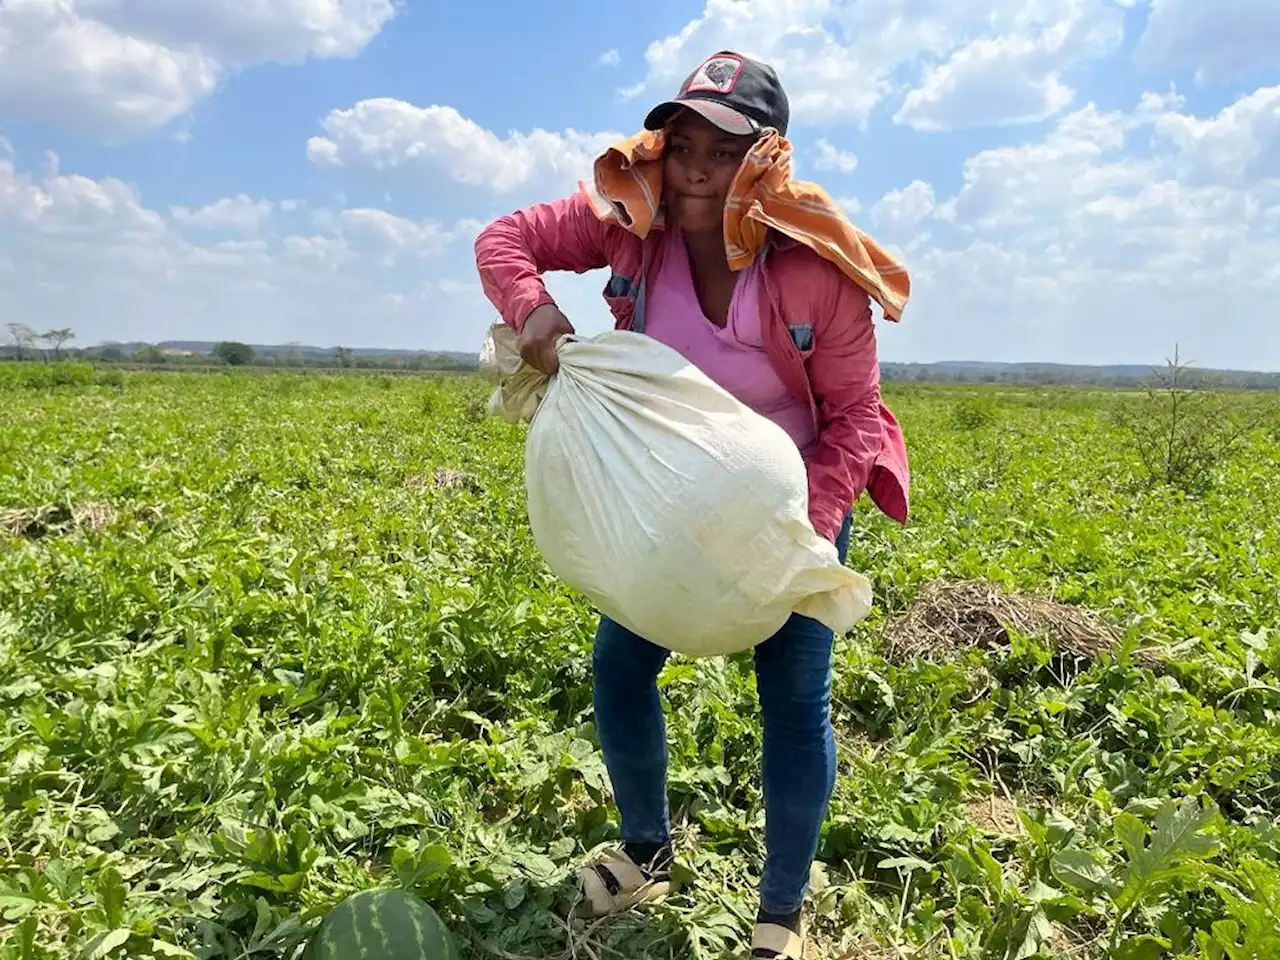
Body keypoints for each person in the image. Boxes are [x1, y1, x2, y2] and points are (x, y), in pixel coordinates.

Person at [474, 50, 910, 960]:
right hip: (669, 498)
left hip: (790, 496)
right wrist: (532, 312)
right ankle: (646, 851)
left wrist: (811, 534)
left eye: (726, 146)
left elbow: (857, 415)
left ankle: (780, 913)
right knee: (622, 668)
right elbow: (504, 239)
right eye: (683, 144)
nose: (700, 166)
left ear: (768, 158)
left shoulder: (813, 269)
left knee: (793, 697)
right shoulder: (634, 227)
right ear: (660, 152)